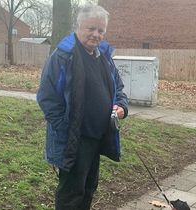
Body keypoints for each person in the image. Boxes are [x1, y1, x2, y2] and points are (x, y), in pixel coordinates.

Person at [36, 4, 128, 210]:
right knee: (71, 193)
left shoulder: (104, 56)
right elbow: (46, 97)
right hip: (74, 138)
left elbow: (118, 87)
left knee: (88, 187)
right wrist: (65, 127)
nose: (96, 34)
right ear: (78, 26)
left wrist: (121, 106)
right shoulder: (62, 57)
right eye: (91, 28)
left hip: (98, 136)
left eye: (101, 30)